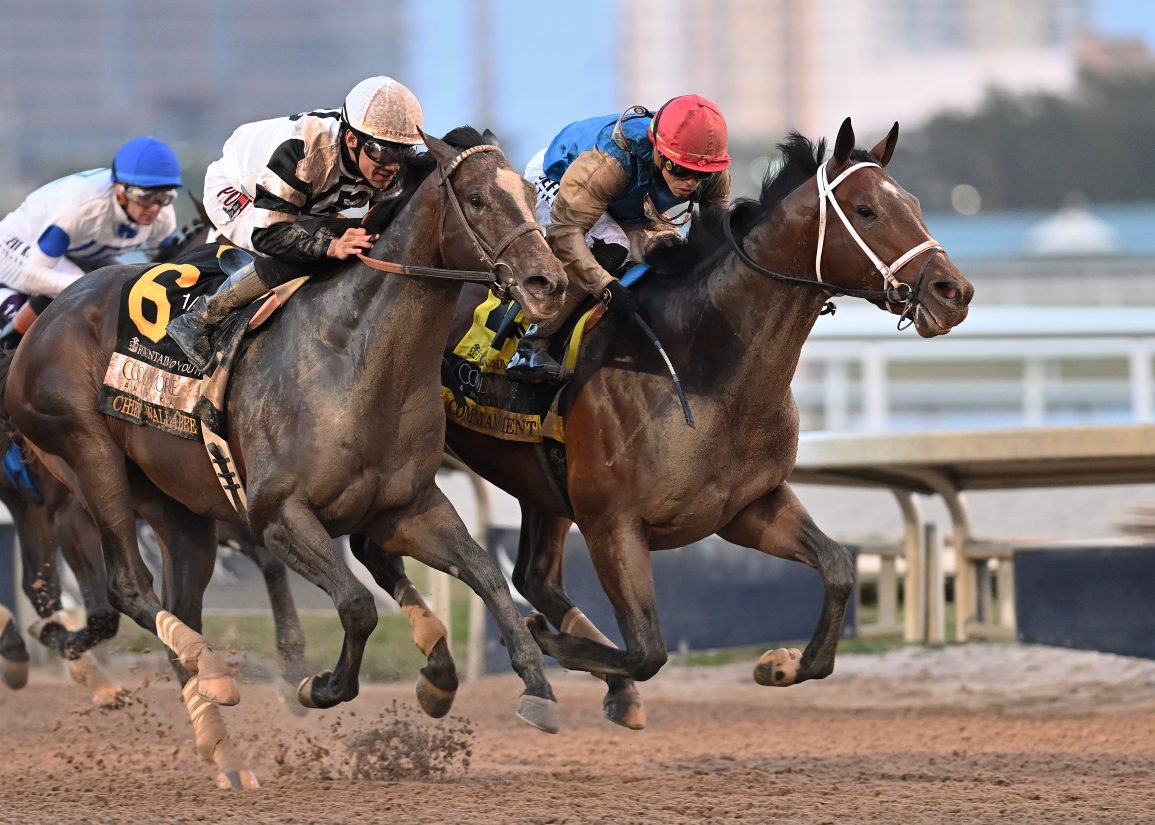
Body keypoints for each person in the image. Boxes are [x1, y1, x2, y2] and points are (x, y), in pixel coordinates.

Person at [165, 76, 424, 371]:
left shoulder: (380, 158)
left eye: (404, 152)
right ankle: (198, 318)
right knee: (302, 254)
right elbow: (270, 236)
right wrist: (330, 248)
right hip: (239, 193)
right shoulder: (301, 152)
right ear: (352, 139)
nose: (392, 166)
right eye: (382, 152)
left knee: (363, 240)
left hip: (304, 200)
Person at [505, 94, 732, 382]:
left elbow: (717, 240)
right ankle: (531, 345)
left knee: (670, 251)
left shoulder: (710, 172)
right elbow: (566, 232)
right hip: (558, 175)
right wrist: (606, 287)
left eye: (702, 174)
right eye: (682, 170)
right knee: (612, 247)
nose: (691, 182)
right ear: (659, 152)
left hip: (622, 196)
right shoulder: (610, 162)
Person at [0, 135, 182, 331]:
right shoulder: (82, 208)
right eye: (144, 196)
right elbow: (32, 275)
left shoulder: (164, 216)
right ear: (120, 190)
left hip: (75, 252)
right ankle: (7, 348)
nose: (154, 208)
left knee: (126, 284)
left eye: (164, 197)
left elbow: (166, 274)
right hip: (19, 244)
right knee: (86, 288)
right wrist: (96, 288)